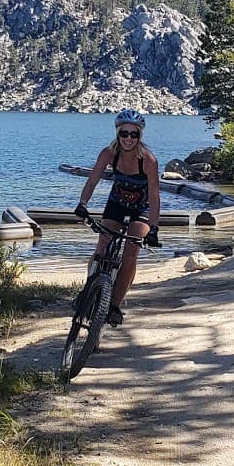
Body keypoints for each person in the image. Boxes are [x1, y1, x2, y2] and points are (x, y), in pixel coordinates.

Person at [73, 108, 161, 326]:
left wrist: (154, 228)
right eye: (125, 134)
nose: (129, 139)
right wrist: (82, 204)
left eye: (134, 134)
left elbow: (155, 196)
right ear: (117, 133)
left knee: (131, 254)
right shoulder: (108, 154)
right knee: (102, 247)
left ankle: (113, 305)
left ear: (140, 136)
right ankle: (88, 289)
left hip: (142, 208)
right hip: (116, 204)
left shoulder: (148, 160)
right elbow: (92, 181)